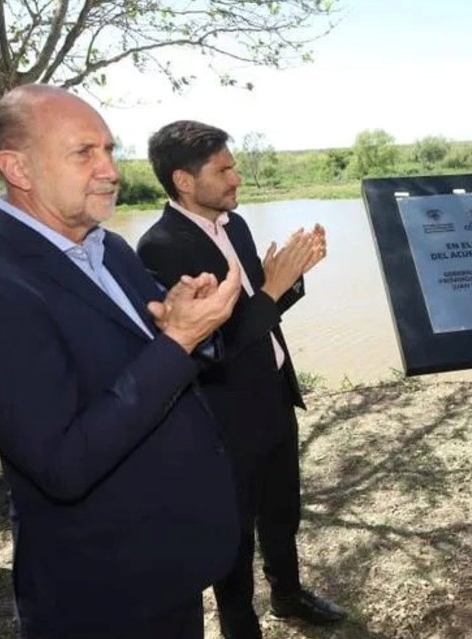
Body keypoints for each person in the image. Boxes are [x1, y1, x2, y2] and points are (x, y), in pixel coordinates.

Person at [0, 85, 244, 639]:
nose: (111, 170)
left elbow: (158, 352)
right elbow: (63, 462)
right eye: (85, 153)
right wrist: (177, 343)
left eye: (109, 149)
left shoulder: (109, 249)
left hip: (167, 563)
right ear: (18, 168)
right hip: (102, 593)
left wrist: (190, 322)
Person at [138, 120, 342, 639]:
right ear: (184, 181)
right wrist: (271, 291)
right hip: (224, 415)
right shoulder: (162, 247)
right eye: (224, 169)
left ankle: (288, 595)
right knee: (233, 536)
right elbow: (214, 347)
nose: (237, 178)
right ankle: (239, 626)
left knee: (282, 511)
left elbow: (258, 314)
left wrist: (289, 280)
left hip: (272, 394)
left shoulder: (236, 226)